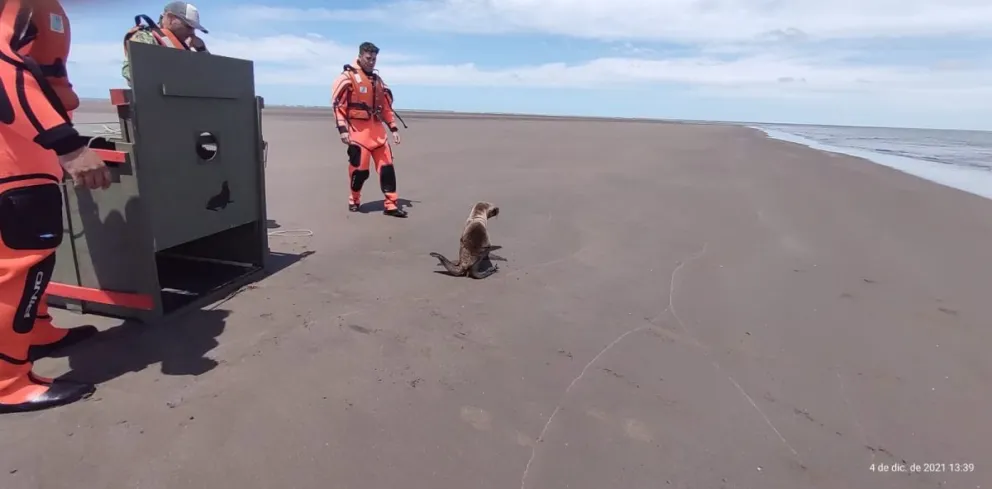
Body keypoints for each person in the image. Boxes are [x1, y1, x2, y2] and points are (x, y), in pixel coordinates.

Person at [0, 0, 115, 413]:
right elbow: (6, 74)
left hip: (26, 156)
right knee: (18, 271)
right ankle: (6, 382)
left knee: (36, 263)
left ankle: (36, 333)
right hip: (12, 167)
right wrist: (68, 147)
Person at [330, 42, 407, 218]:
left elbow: (386, 108)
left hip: (378, 134)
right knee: (360, 171)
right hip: (358, 134)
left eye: (374, 58)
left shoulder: (379, 82)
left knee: (387, 169)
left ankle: (391, 205)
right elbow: (338, 107)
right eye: (368, 58)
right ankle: (354, 199)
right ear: (360, 56)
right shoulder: (347, 78)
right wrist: (342, 130)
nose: (371, 61)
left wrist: (393, 128)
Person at [121, 1, 209, 86]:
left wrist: (202, 50)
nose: (192, 32)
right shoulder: (145, 38)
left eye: (194, 28)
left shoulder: (184, 45)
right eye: (188, 27)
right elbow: (131, 74)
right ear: (170, 18)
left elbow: (208, 77)